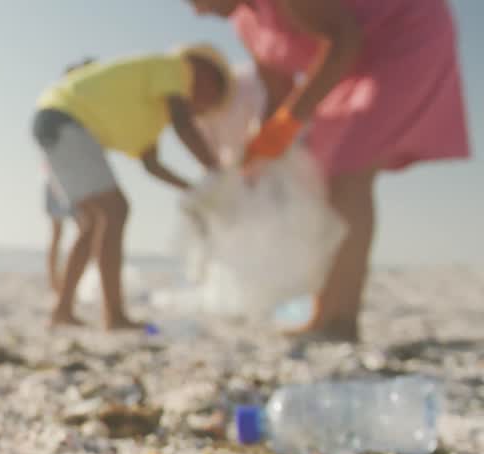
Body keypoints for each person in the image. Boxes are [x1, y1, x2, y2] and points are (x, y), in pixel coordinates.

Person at [186, 0, 471, 342]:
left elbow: (345, 40)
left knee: (348, 170)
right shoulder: (245, 23)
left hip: (402, 39)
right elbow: (279, 93)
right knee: (319, 171)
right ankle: (324, 312)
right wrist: (261, 149)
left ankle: (340, 318)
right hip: (351, 66)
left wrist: (289, 123)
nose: (196, 13)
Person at [33, 46, 230, 329]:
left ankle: (62, 310)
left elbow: (151, 164)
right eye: (213, 95)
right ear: (204, 72)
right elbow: (183, 123)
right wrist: (215, 169)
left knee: (93, 223)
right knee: (115, 210)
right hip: (66, 119)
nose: (207, 107)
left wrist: (192, 189)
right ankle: (113, 315)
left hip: (54, 121)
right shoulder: (174, 68)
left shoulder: (152, 113)